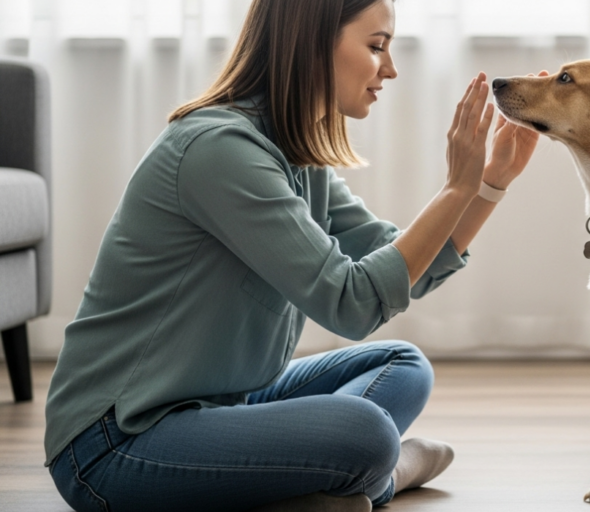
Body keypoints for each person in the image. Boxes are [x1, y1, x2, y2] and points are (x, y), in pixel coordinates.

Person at [43, 1, 544, 510]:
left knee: (402, 363)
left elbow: (404, 267)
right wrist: (454, 189)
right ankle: (373, 473)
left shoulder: (294, 153)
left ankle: (324, 482)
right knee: (366, 432)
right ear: (312, 41)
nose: (390, 69)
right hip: (116, 441)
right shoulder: (220, 149)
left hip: (223, 402)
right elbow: (352, 305)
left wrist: (488, 184)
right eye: (376, 46)